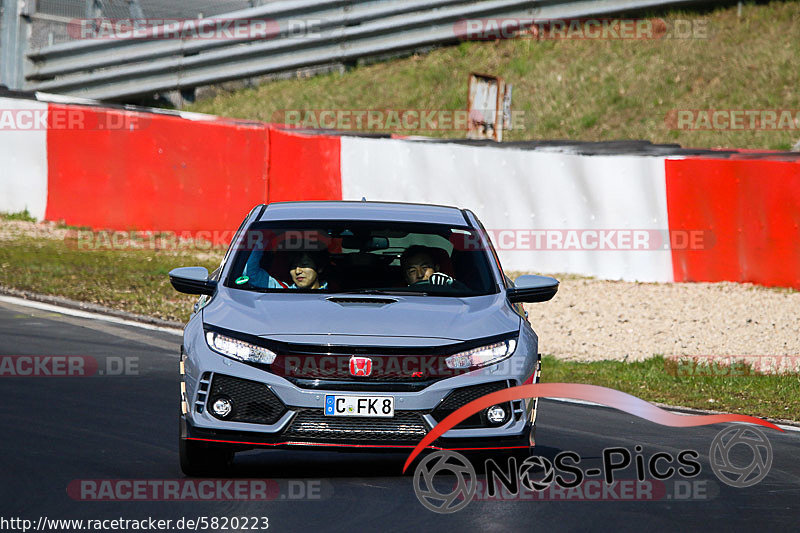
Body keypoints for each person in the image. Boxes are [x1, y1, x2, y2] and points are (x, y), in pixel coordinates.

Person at [239, 249, 328, 290]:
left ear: (319, 268)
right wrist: (261, 241)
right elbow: (251, 274)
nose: (297, 271)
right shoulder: (283, 290)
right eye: (293, 266)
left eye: (304, 265)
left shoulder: (338, 297)